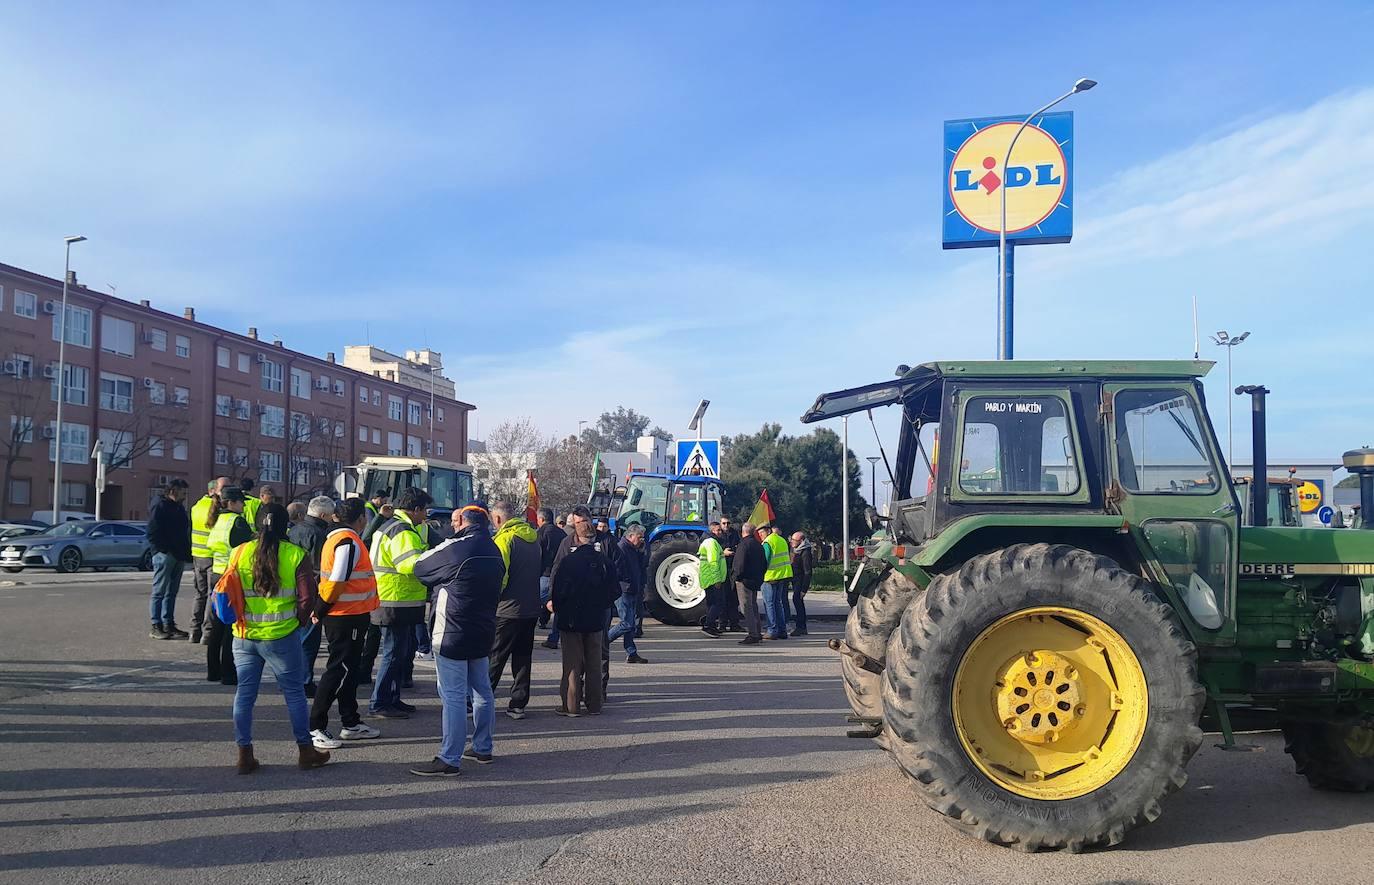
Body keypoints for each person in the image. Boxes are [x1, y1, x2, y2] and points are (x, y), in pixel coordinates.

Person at [213, 502, 330, 773]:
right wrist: (299, 623)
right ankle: (305, 751)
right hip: (282, 636)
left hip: (243, 635)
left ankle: (244, 754)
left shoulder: (239, 552)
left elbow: (225, 590)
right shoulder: (295, 554)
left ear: (256, 524)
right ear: (284, 524)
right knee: (294, 694)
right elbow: (306, 598)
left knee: (245, 694)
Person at [410, 505, 505, 776]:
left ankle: (449, 758)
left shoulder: (456, 548)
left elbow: (420, 568)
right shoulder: (493, 549)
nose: (451, 526)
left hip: (451, 629)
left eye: (454, 521)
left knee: (452, 696)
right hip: (482, 628)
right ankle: (483, 747)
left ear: (463, 521)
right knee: (482, 691)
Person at [307, 497, 382, 749]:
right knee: (340, 670)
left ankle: (350, 722)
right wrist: (321, 608)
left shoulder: (337, 538)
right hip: (344, 615)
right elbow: (338, 580)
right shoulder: (347, 541)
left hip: (350, 613)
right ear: (361, 518)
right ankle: (316, 726)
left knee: (348, 669)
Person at [548, 506, 619, 717]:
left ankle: (571, 706)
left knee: (572, 663)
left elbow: (558, 587)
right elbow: (614, 590)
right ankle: (595, 704)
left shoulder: (569, 562)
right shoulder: (604, 562)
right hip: (596, 617)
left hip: (571, 617)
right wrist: (602, 604)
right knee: (594, 662)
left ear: (577, 537)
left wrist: (558, 606)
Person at [368, 487, 432, 719]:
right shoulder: (403, 531)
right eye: (424, 510)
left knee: (398, 652)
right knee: (394, 653)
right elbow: (409, 565)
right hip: (396, 600)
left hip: (392, 599)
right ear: (415, 510)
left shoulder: (390, 526)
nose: (426, 515)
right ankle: (380, 702)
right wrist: (432, 561)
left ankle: (392, 699)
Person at [487, 501, 542, 720]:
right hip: (530, 608)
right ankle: (518, 703)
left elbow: (501, 575)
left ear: (499, 519)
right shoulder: (533, 538)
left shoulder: (504, 539)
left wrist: (491, 599)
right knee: (522, 658)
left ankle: (481, 699)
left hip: (507, 609)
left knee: (495, 657)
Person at [205, 487, 255, 684]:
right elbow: (249, 546)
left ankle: (213, 671)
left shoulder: (217, 519)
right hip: (232, 576)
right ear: (232, 503)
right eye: (241, 502)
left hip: (217, 573)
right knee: (230, 626)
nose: (243, 505)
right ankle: (228, 673)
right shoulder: (237, 522)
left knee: (217, 625)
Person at [289, 496, 334, 699]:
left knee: (295, 638)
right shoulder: (320, 534)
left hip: (291, 589)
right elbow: (319, 569)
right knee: (309, 640)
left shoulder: (295, 529)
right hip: (311, 591)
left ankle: (291, 678)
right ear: (323, 514)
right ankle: (305, 681)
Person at [146, 479, 193, 640]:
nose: (185, 496)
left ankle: (168, 624)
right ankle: (156, 625)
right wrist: (162, 550)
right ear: (173, 491)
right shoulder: (160, 505)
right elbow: (152, 530)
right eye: (183, 492)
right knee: (159, 591)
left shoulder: (178, 507)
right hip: (165, 554)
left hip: (178, 554)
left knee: (171, 592)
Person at [189, 476, 233, 644]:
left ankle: (194, 630)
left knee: (200, 594)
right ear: (214, 490)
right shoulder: (216, 509)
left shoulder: (196, 506)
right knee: (211, 595)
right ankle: (208, 632)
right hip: (212, 556)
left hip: (197, 554)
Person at [608, 525, 649, 663]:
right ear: (631, 536)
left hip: (632, 589)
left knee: (630, 624)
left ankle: (631, 653)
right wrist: (627, 581)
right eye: (639, 537)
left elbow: (641, 566)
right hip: (624, 590)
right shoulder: (621, 548)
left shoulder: (633, 549)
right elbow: (617, 570)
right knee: (627, 623)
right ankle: (602, 642)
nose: (642, 540)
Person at [730, 520, 767, 645]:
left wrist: (735, 577)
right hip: (755, 581)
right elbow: (764, 564)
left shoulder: (744, 545)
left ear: (743, 531)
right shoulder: (758, 545)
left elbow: (739, 564)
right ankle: (757, 632)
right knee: (753, 606)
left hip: (744, 581)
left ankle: (753, 634)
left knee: (746, 608)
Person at [535, 507, 564, 639]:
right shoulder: (562, 534)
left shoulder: (540, 533)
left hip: (545, 574)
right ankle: (554, 636)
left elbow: (537, 555)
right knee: (558, 605)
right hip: (561, 573)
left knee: (537, 602)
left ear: (541, 519)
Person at [761, 525, 793, 641]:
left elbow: (764, 560)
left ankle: (772, 630)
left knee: (769, 604)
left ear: (768, 531)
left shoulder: (768, 542)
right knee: (778, 603)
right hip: (782, 575)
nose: (760, 535)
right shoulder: (781, 539)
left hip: (770, 577)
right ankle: (782, 630)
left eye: (762, 533)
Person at [698, 521, 729, 637]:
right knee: (718, 603)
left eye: (720, 530)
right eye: (718, 530)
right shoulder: (711, 543)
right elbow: (713, 562)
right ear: (712, 531)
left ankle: (711, 626)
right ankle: (708, 625)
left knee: (712, 603)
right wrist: (717, 580)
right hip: (712, 578)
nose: (720, 532)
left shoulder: (711, 542)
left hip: (709, 578)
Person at [719, 517, 744, 631]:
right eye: (724, 523)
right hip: (722, 569)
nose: (726, 525)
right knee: (723, 598)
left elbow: (740, 546)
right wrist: (723, 553)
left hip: (733, 569)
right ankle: (722, 624)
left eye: (728, 523)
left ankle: (734, 624)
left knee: (734, 598)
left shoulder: (735, 534)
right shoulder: (717, 536)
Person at [790, 531, 814, 636]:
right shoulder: (795, 550)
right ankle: (801, 626)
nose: (792, 542)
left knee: (798, 602)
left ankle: (801, 627)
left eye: (795, 540)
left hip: (800, 580)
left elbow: (808, 572)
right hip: (795, 579)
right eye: (792, 539)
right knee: (797, 602)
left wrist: (804, 589)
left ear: (801, 541)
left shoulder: (805, 552)